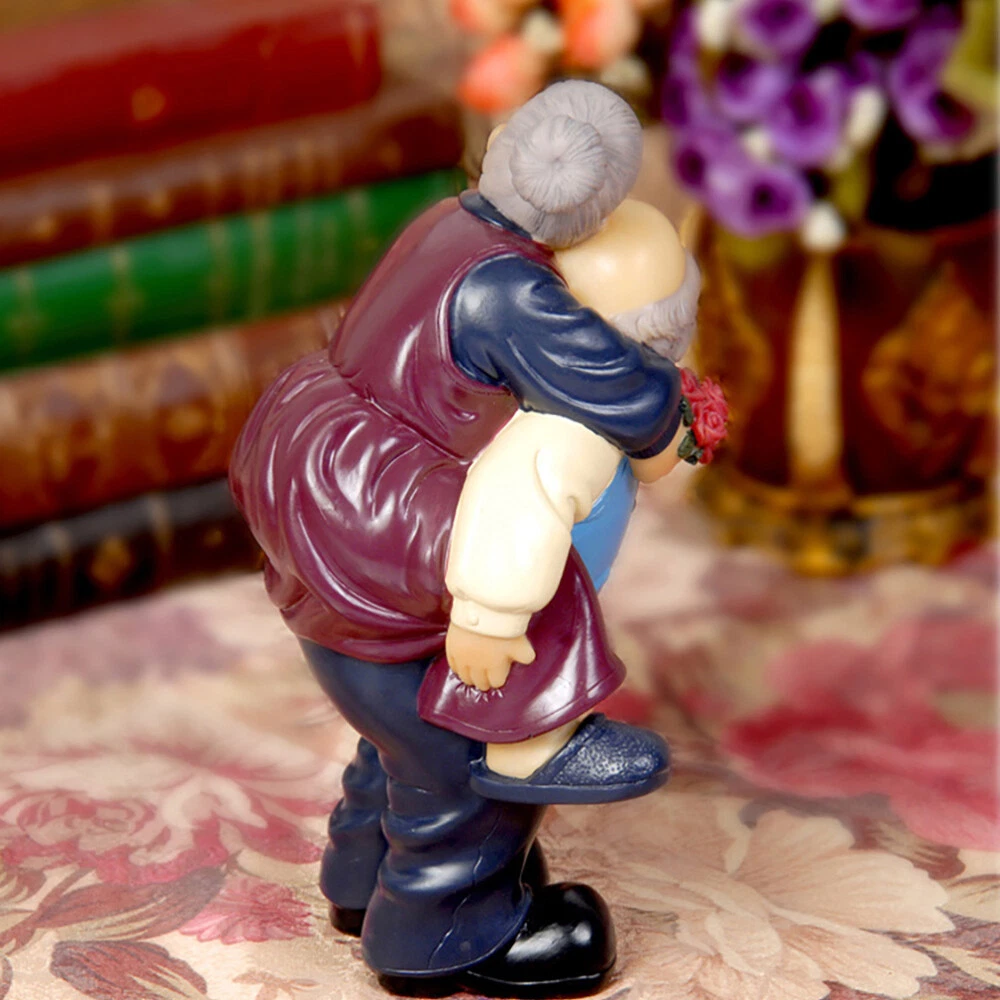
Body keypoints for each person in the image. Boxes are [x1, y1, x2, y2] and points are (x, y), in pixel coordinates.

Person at [229, 80, 687, 998]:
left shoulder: (445, 221)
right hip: (379, 519)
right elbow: (630, 400)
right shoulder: (511, 293)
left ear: (499, 147)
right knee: (465, 739)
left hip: (317, 491)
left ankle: (362, 876)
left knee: (399, 719)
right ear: (596, 216)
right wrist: (675, 387)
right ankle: (443, 931)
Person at [422, 196, 702, 791]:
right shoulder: (566, 432)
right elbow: (511, 506)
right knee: (469, 767)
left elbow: (652, 458)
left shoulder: (603, 415)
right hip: (503, 614)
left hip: (534, 588)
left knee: (410, 757)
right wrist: (488, 621)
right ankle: (526, 749)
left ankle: (369, 833)